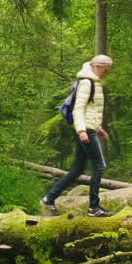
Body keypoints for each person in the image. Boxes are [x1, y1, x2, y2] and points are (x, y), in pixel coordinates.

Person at [41, 55, 114, 218]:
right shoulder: (87, 83)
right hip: (85, 130)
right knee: (100, 166)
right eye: (106, 69)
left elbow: (91, 110)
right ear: (98, 66)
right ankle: (94, 208)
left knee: (77, 168)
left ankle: (49, 198)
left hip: (88, 128)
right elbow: (78, 109)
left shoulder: (92, 82)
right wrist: (82, 131)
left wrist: (99, 128)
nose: (107, 72)